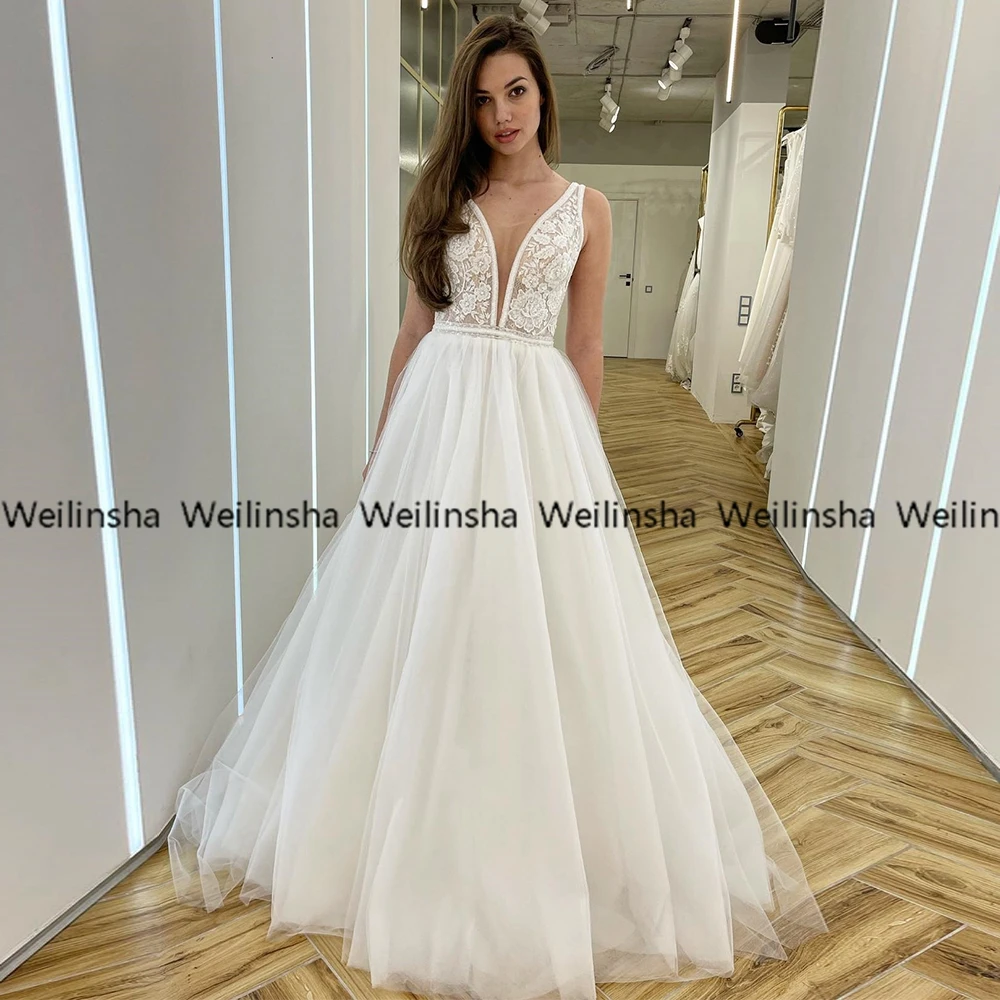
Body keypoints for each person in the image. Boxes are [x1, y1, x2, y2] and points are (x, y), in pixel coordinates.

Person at [168, 15, 827, 1000]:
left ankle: (528, 829)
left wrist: (581, 465)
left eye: (516, 92)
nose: (501, 114)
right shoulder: (443, 200)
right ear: (466, 112)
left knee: (535, 624)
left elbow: (586, 346)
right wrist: (382, 451)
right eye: (482, 99)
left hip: (534, 431)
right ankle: (393, 820)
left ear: (543, 94)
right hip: (435, 426)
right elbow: (411, 334)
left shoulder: (587, 208)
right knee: (417, 613)